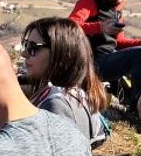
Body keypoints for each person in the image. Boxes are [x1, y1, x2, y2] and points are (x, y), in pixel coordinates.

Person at [20, 17, 110, 147]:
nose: (24, 53)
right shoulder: (74, 91)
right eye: (27, 45)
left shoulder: (55, 105)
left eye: (33, 47)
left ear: (61, 53)